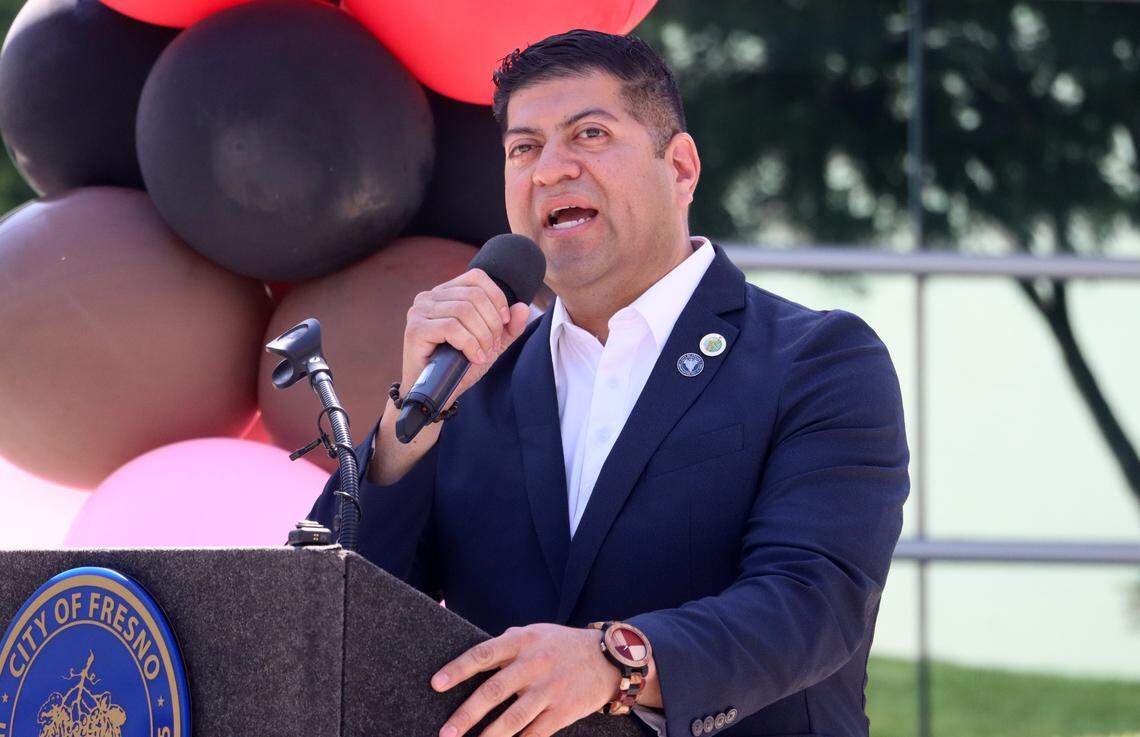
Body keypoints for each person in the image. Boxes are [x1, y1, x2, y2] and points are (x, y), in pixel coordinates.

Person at [309, 29, 909, 737]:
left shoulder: (818, 361)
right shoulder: (467, 382)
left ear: (680, 167)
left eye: (588, 134)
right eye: (523, 148)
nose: (551, 170)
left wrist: (615, 661)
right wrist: (411, 420)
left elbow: (812, 601)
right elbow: (324, 620)